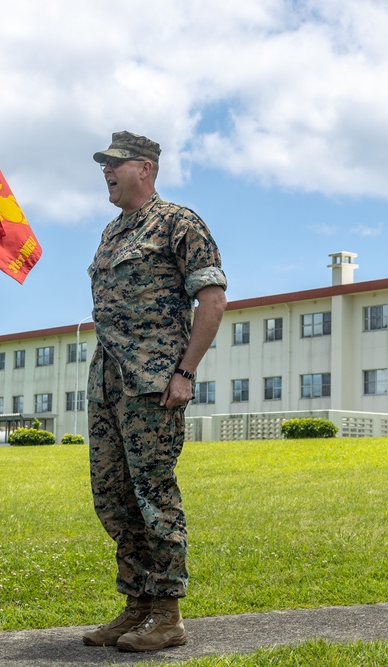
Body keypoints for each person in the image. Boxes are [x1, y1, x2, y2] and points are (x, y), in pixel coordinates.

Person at [82, 131, 227, 652]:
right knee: (113, 499)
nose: (106, 171)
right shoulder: (111, 232)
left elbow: (211, 300)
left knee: (153, 494)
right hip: (108, 385)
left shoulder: (179, 223)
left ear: (145, 168)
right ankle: (137, 605)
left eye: (115, 164)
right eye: (103, 164)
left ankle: (168, 614)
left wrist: (184, 372)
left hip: (153, 384)